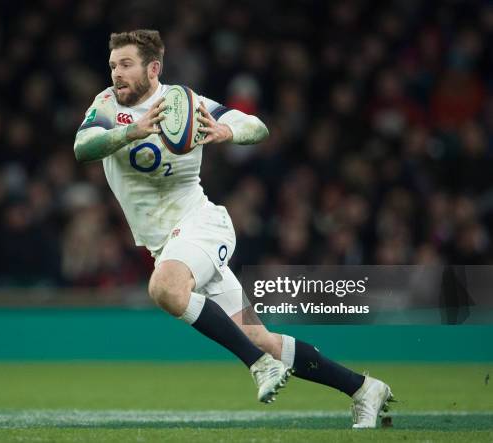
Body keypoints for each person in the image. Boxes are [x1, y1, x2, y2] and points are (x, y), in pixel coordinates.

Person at [73, 29, 393, 428]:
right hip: (171, 246)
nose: (116, 74)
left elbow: (256, 127)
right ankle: (364, 389)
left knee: (164, 289)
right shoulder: (105, 105)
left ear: (153, 68)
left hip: (202, 227)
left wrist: (228, 132)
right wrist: (128, 133)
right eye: (112, 66)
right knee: (261, 337)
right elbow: (82, 148)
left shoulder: (186, 105)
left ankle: (258, 367)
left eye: (125, 65)